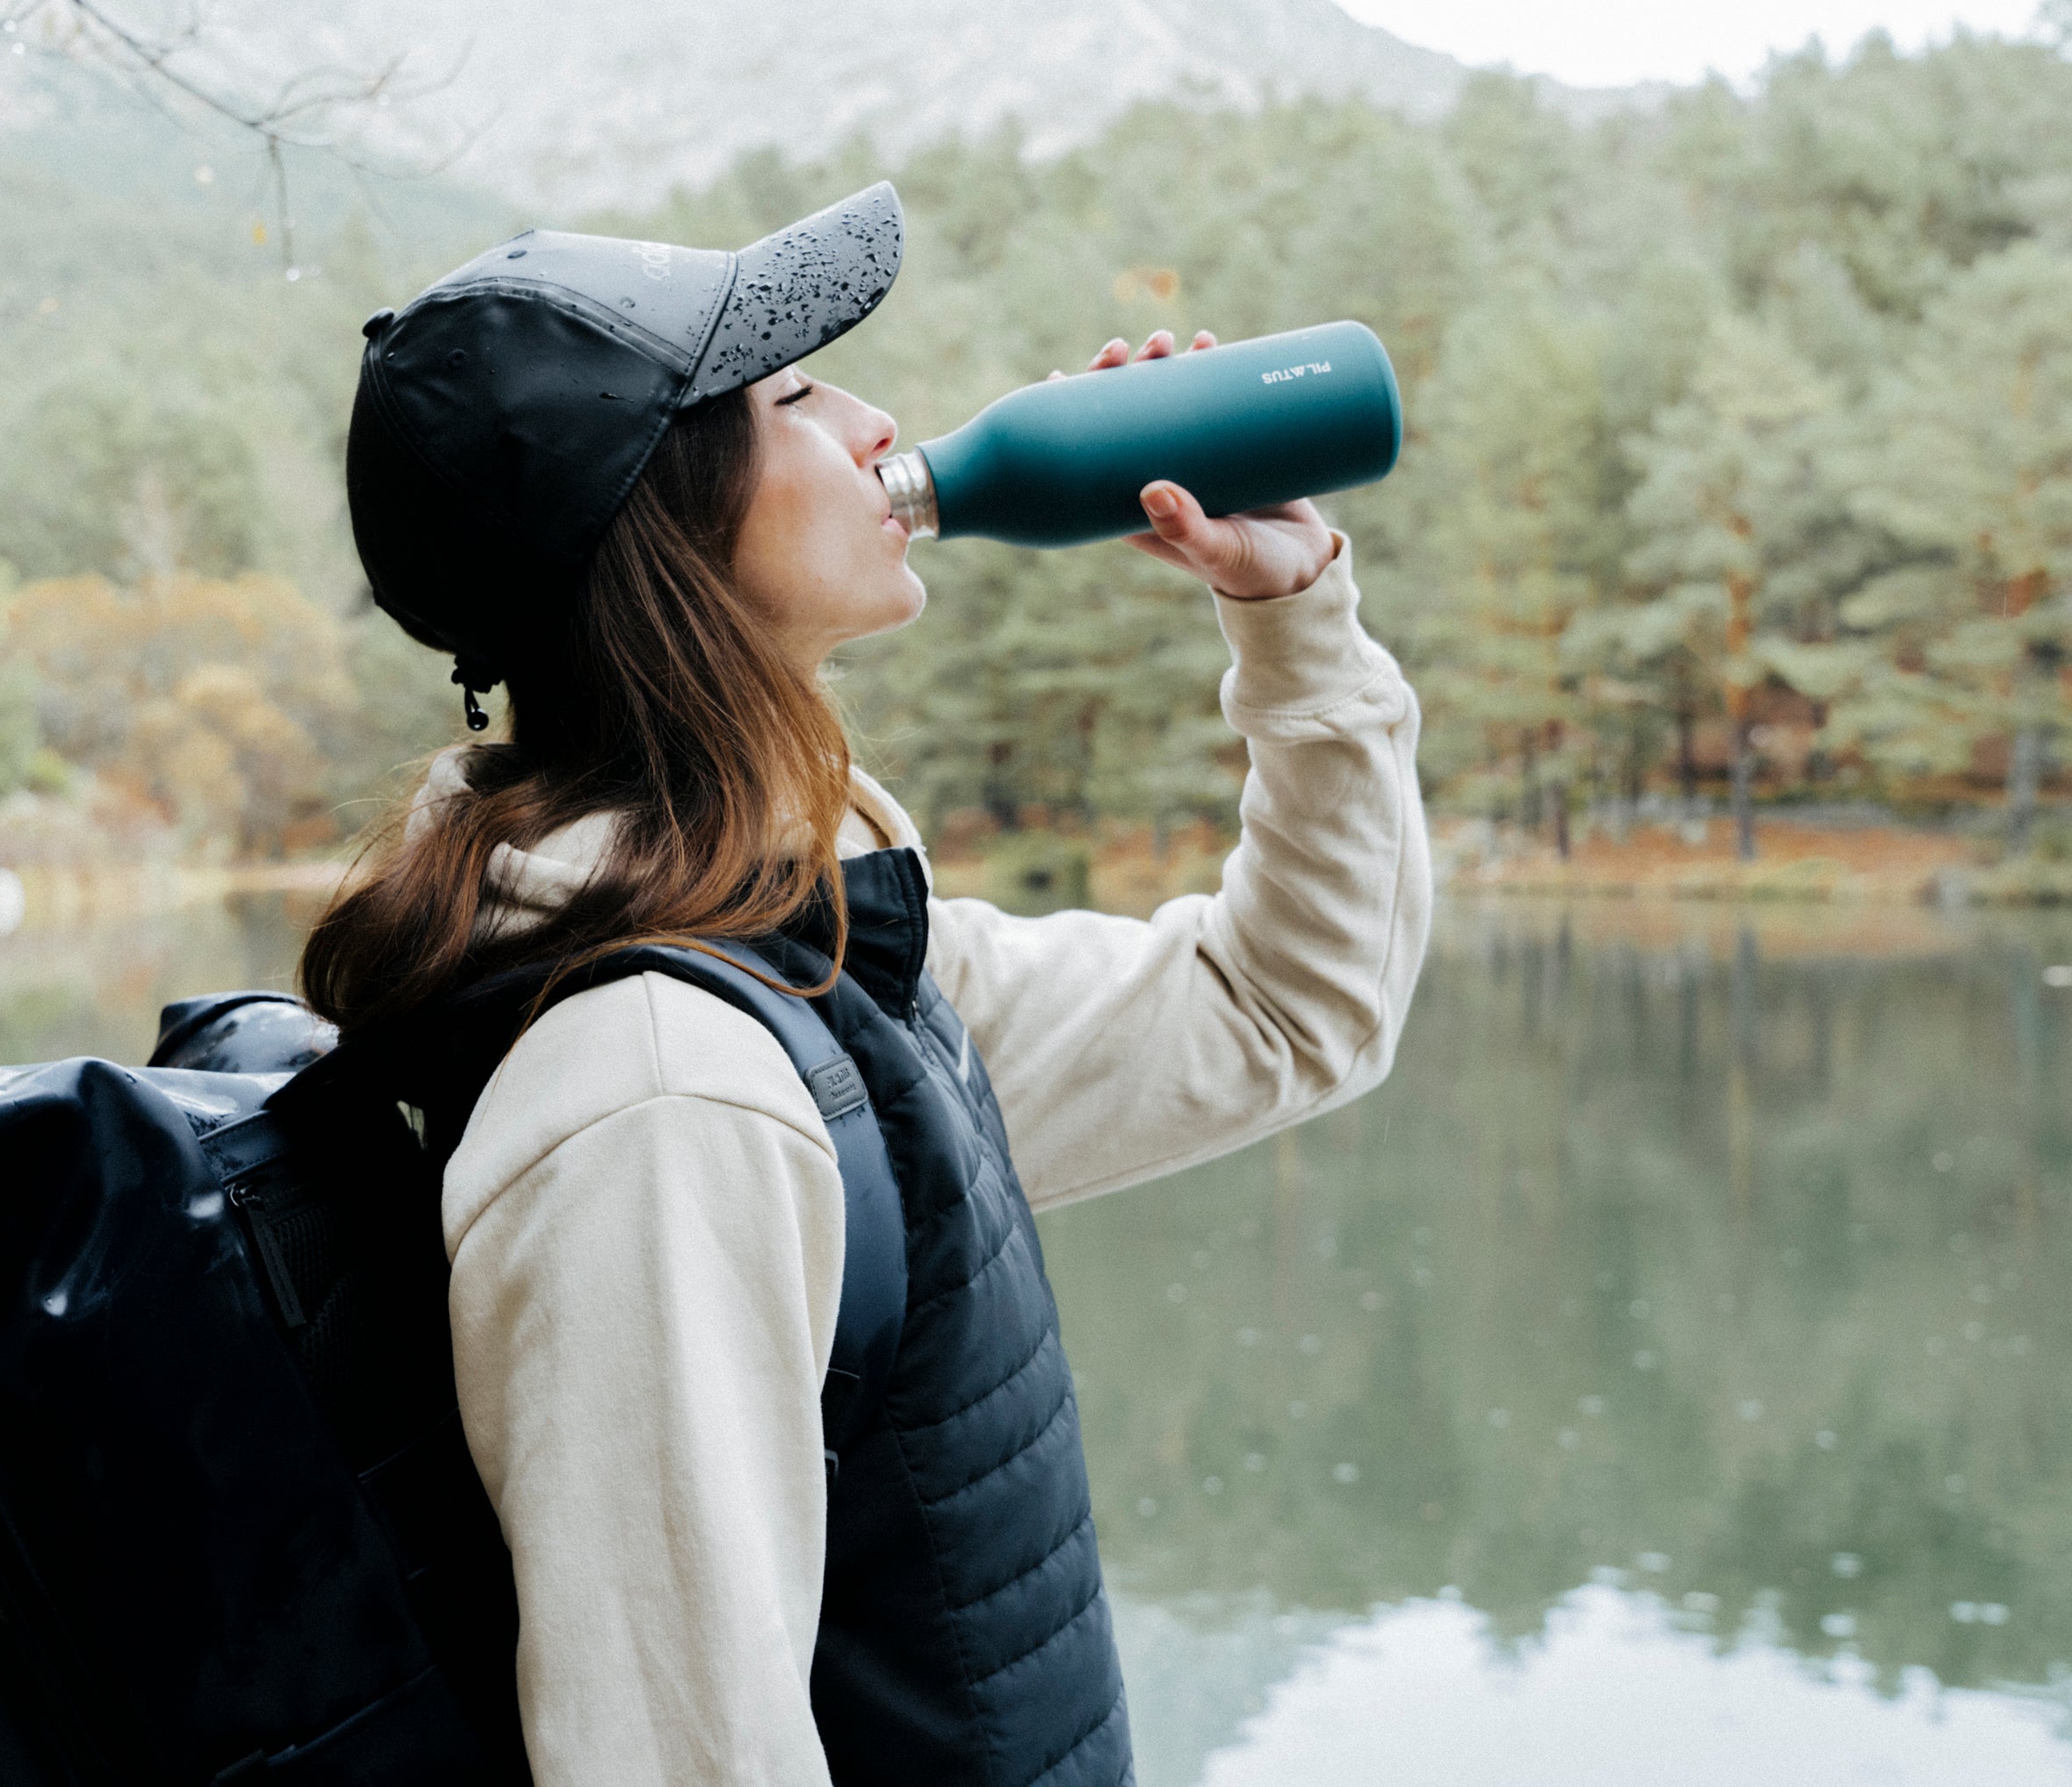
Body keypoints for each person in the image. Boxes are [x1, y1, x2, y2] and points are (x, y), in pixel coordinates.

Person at [305, 183, 1431, 1787]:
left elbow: (1284, 1015)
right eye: (794, 395)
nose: (876, 418)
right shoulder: (658, 1098)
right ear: (663, 525)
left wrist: (1289, 610)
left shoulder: (819, 961)